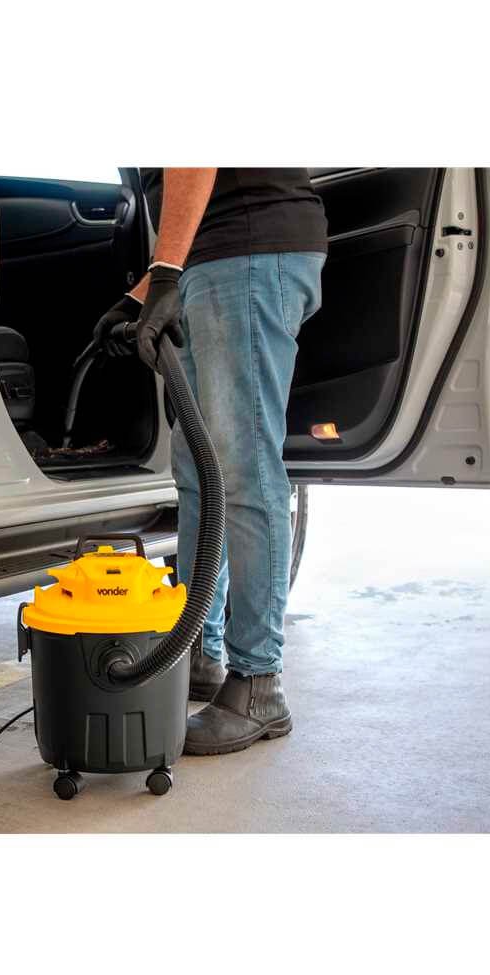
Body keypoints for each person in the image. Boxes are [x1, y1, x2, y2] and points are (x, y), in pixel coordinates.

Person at [93, 168, 327, 755]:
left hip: (248, 251)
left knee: (244, 470)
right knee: (199, 473)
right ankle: (199, 649)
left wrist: (165, 274)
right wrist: (142, 292)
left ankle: (259, 684)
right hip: (214, 258)